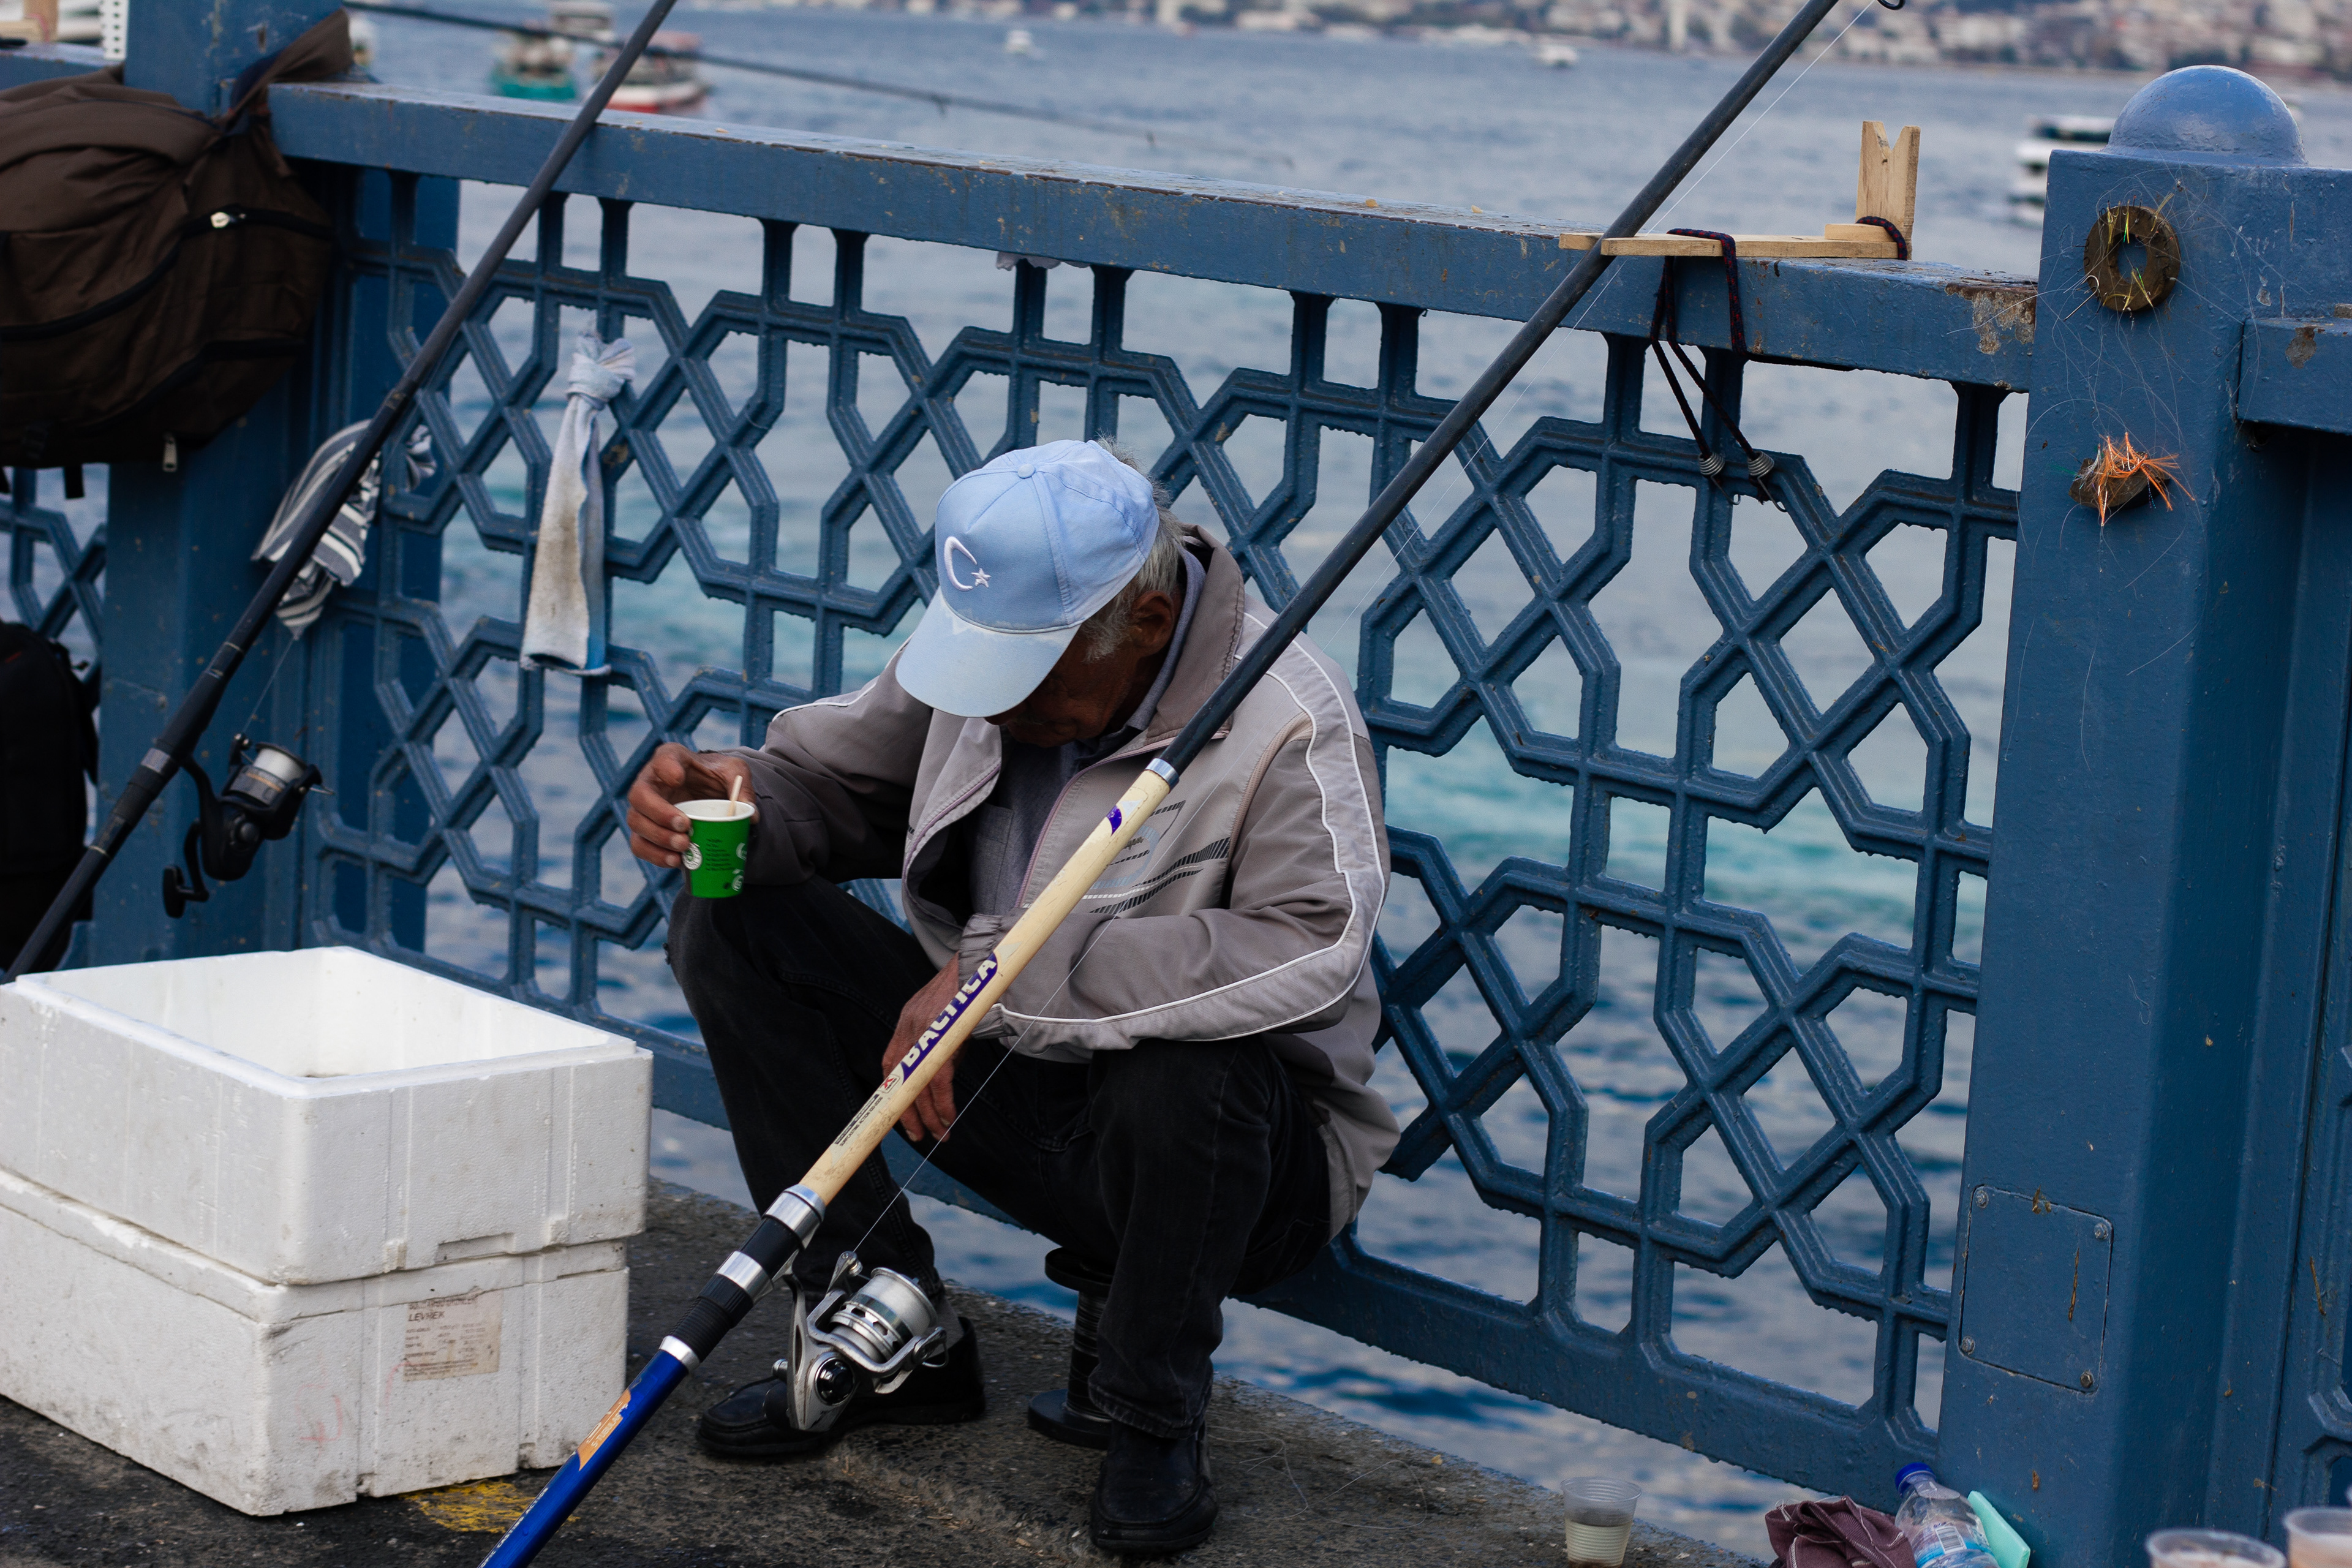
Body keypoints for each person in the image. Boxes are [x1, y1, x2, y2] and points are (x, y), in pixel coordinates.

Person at [627, 438, 1397, 1554]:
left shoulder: (1289, 714)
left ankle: (1152, 1414)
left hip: (1226, 1171)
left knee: (1189, 1068)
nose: (996, 702)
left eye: (1030, 672)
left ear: (1143, 620)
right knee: (733, 918)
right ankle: (883, 1325)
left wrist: (1000, 977)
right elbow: (837, 783)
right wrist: (741, 804)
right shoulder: (992, 655)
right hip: (1004, 1089)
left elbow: (1310, 945)